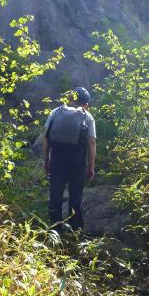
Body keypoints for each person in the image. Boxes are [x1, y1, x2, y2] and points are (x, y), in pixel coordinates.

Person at [42, 87, 96, 231]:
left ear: (70, 98)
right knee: (75, 197)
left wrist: (46, 159)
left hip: (57, 160)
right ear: (86, 104)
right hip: (77, 162)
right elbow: (91, 142)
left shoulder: (55, 112)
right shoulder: (88, 116)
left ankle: (55, 231)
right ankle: (75, 231)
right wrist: (91, 167)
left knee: (55, 195)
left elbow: (46, 137)